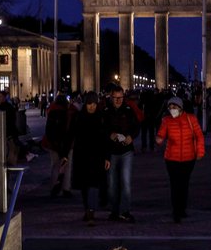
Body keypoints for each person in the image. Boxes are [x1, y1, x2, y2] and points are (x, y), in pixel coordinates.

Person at [156, 97, 205, 223]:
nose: (172, 110)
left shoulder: (191, 119)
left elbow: (199, 136)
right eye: (170, 107)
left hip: (189, 158)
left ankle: (182, 208)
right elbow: (161, 135)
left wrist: (200, 152)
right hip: (171, 158)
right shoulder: (166, 120)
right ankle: (176, 210)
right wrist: (159, 138)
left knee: (184, 183)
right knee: (175, 184)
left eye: (175, 107)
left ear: (181, 107)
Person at [71, 92, 110, 225]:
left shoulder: (101, 117)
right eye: (89, 104)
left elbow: (106, 139)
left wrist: (107, 157)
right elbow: (71, 135)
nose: (92, 107)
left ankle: (91, 212)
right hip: (82, 157)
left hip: (97, 157)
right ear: (85, 104)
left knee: (94, 185)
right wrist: (65, 154)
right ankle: (87, 209)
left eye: (94, 104)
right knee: (84, 186)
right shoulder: (78, 117)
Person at [103, 87, 140, 222]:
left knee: (126, 182)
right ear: (111, 98)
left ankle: (125, 211)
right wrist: (109, 134)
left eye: (120, 97)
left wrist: (131, 136)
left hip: (126, 151)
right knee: (112, 184)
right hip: (112, 152)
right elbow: (102, 129)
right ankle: (114, 211)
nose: (118, 100)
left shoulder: (129, 111)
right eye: (115, 98)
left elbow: (137, 127)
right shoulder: (106, 112)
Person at [45, 93, 74, 197]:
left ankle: (53, 187)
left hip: (53, 144)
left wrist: (52, 142)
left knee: (55, 165)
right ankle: (66, 188)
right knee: (67, 166)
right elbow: (69, 131)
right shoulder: (68, 113)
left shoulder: (51, 112)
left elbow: (48, 129)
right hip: (66, 143)